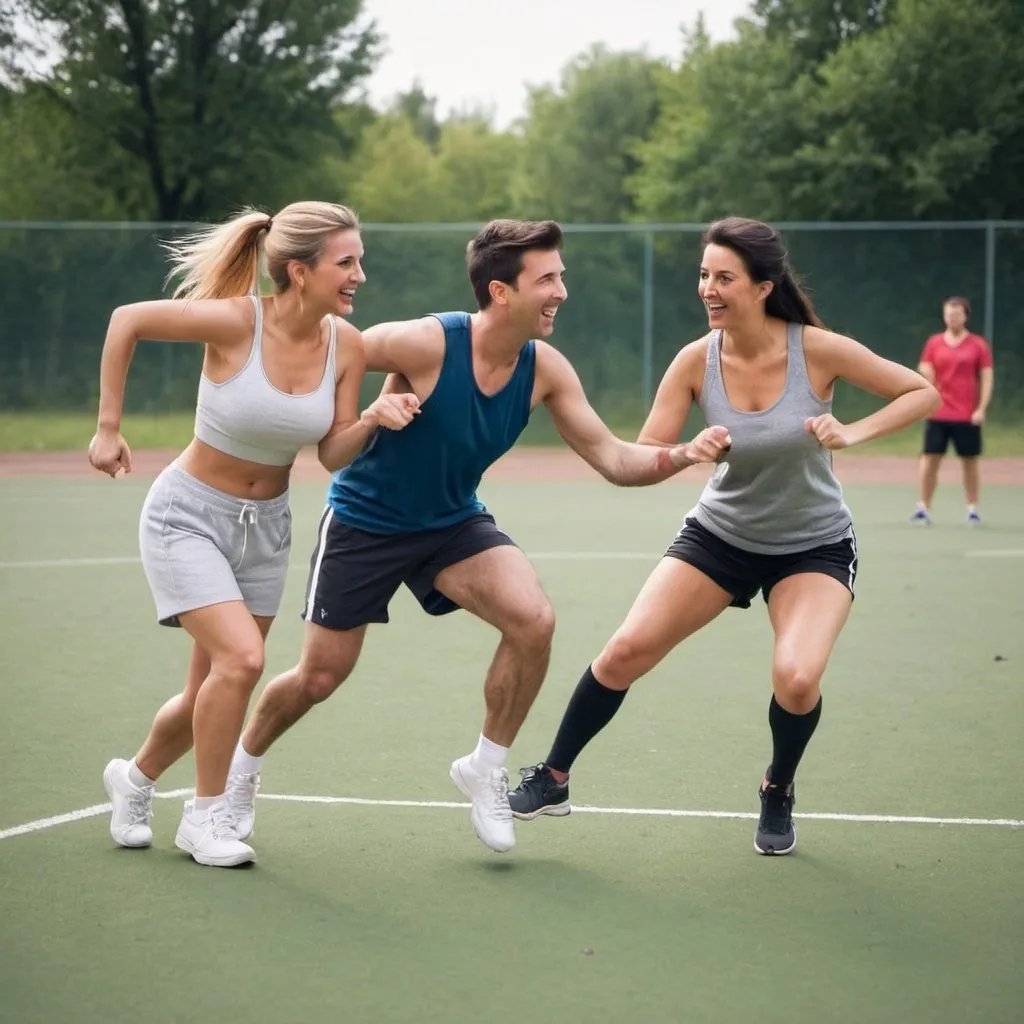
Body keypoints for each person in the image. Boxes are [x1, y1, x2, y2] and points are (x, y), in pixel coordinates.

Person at [224, 218, 707, 856]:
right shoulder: (427, 343)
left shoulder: (545, 370)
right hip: (367, 521)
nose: (562, 290)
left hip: (452, 522)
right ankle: (238, 777)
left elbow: (616, 460)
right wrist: (369, 409)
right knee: (318, 677)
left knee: (533, 619)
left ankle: (485, 765)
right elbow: (342, 347)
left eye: (560, 276)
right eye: (548, 279)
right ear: (501, 292)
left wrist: (684, 454)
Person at [507, 216, 940, 856]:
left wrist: (852, 432)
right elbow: (648, 450)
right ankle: (554, 776)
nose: (709, 288)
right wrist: (688, 451)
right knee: (626, 650)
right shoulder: (695, 361)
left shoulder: (816, 349)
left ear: (764, 287)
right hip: (719, 536)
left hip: (813, 545)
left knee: (796, 677)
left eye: (724, 278)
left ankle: (778, 786)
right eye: (704, 275)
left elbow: (920, 391)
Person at [88, 201, 419, 867]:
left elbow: (331, 453)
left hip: (266, 530)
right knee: (241, 662)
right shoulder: (237, 321)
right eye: (346, 262)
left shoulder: (348, 347)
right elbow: (128, 322)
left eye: (360, 260)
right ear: (299, 271)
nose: (360, 275)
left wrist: (376, 418)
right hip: (187, 516)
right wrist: (107, 427)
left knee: (209, 687)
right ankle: (204, 820)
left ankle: (134, 780)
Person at [911, 297, 994, 525]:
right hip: (937, 413)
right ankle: (923, 509)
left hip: (966, 415)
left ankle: (973, 509)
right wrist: (925, 370)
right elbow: (924, 368)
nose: (952, 318)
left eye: (956, 314)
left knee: (969, 462)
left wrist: (981, 408)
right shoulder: (934, 343)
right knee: (929, 460)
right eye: (948, 314)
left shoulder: (978, 345)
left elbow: (986, 379)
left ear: (965, 316)